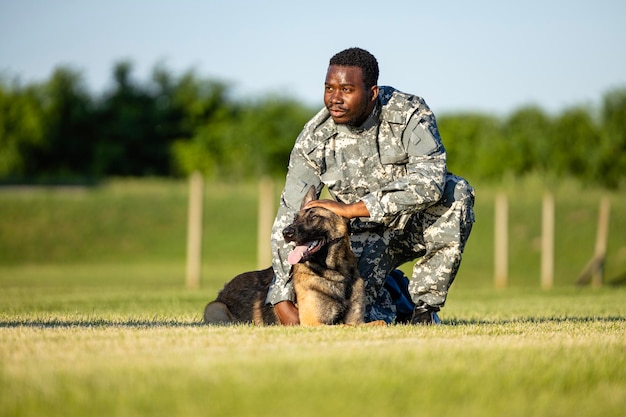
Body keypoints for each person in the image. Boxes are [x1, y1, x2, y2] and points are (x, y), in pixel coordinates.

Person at [266, 47, 475, 325]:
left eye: (346, 89)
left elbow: (431, 178)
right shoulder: (314, 139)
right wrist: (280, 296)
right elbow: (290, 212)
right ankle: (395, 290)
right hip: (362, 240)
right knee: (359, 317)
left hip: (413, 224)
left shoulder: (409, 113)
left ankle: (424, 309)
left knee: (456, 191)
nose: (334, 99)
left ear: (372, 92)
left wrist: (353, 209)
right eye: (329, 88)